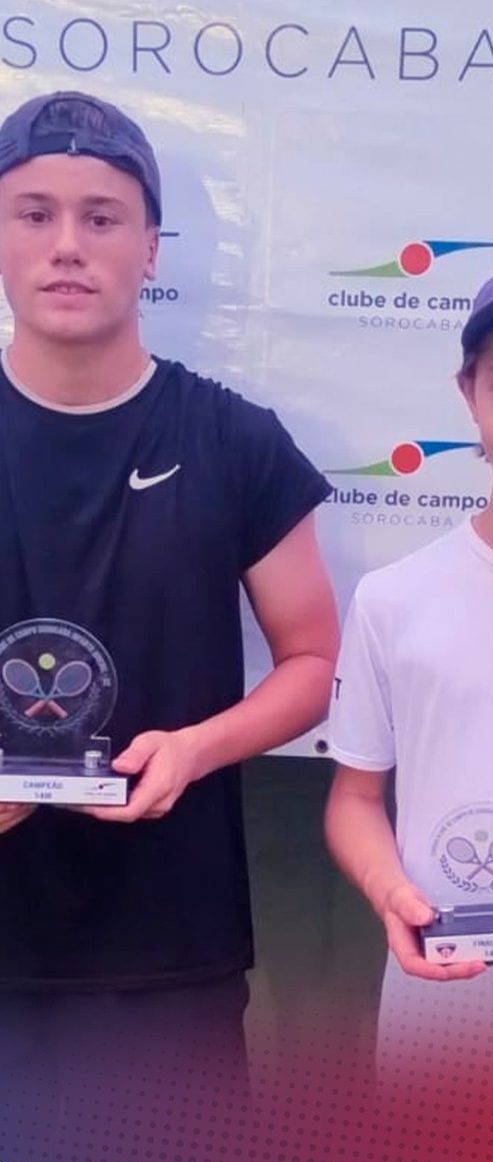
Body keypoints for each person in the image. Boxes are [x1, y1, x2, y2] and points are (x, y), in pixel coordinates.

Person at [0, 89, 338, 1087]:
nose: (68, 246)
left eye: (102, 218)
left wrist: (195, 749)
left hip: (168, 956)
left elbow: (312, 663)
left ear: (150, 248)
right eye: (35, 214)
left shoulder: (234, 441)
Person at [326, 247, 493, 1062]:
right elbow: (354, 799)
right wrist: (388, 892)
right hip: (439, 1051)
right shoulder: (393, 600)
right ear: (467, 393)